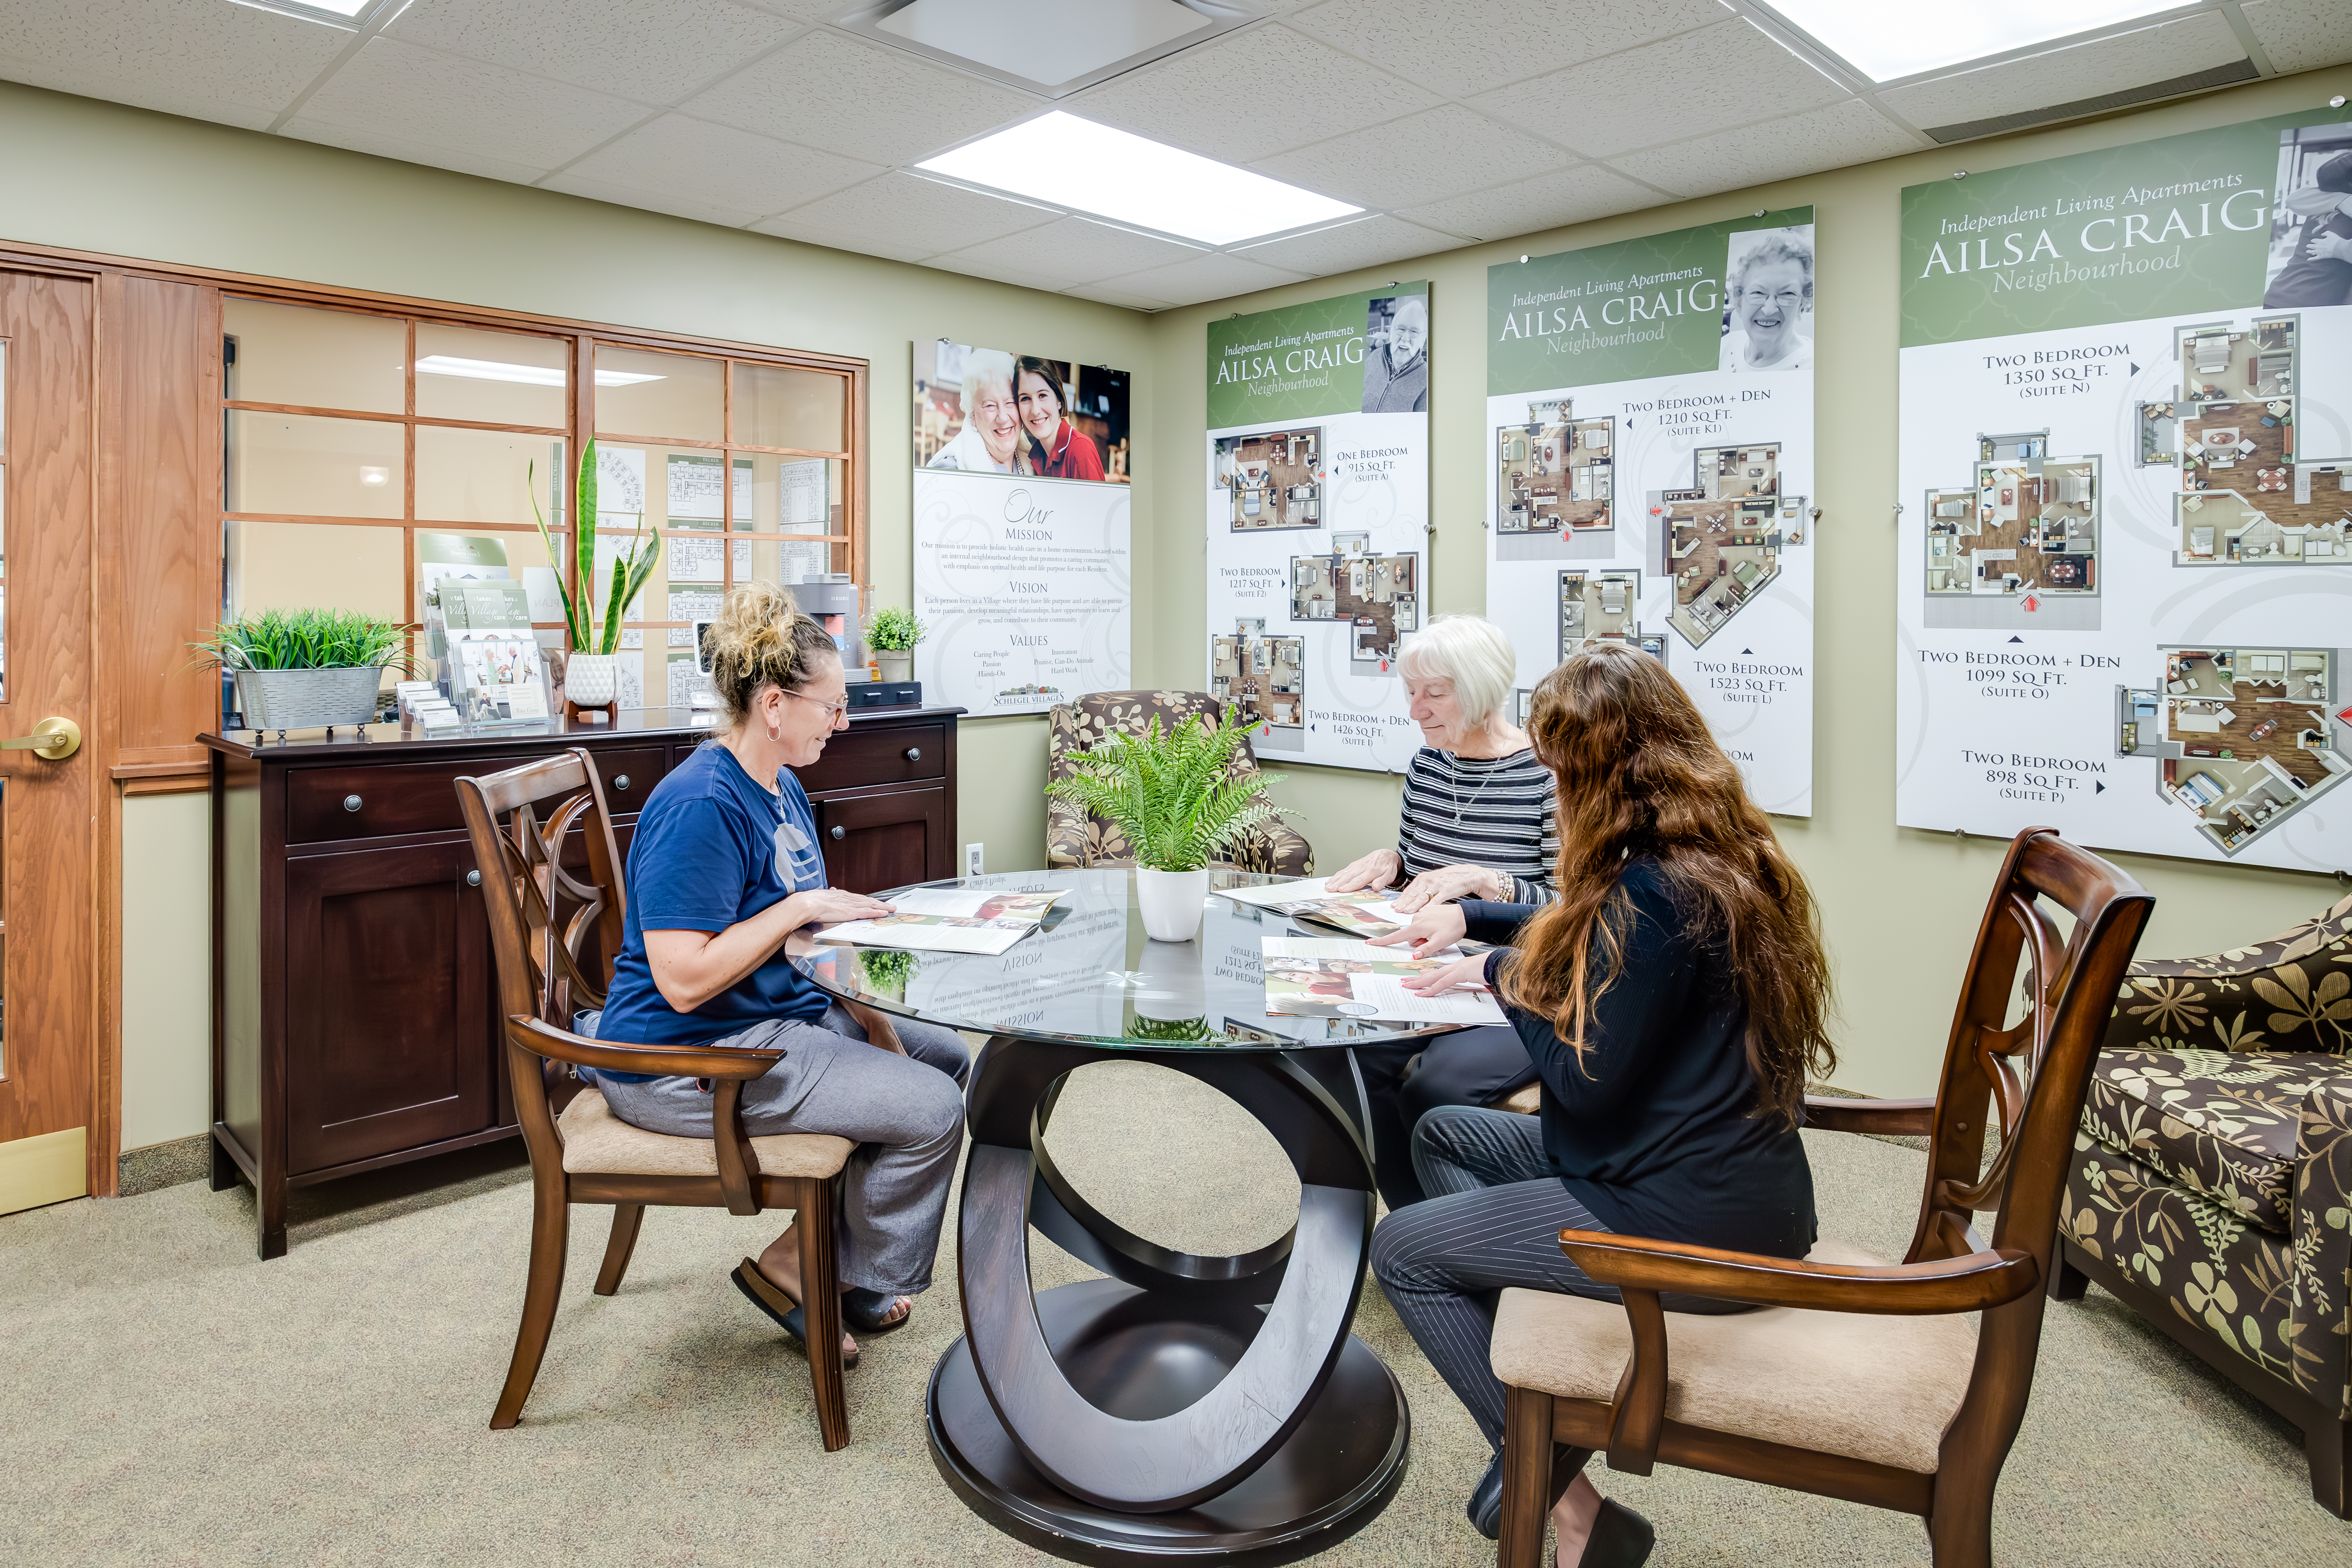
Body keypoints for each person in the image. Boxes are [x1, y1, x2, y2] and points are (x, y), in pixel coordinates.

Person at [1365, 642, 1835, 1567]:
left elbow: (1580, 1079)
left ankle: (1554, 1487)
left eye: (1560, 777)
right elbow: (1590, 937)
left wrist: (1504, 978)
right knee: (1443, 1132)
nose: (1554, 795)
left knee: (1403, 1253)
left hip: (1692, 1219)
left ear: (1600, 776)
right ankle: (1537, 1396)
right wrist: (1484, 921)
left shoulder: (1654, 894)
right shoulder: (1702, 854)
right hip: (1717, 1174)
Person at [582, 581, 971, 1368]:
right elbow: (684, 980)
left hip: (771, 1016)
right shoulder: (701, 804)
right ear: (773, 704)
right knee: (932, 1108)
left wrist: (874, 1021)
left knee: (947, 1058)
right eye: (831, 706)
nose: (845, 721)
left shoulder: (780, 784)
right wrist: (798, 911)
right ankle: (804, 1266)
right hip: (688, 1056)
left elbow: (806, 931)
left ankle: (833, 1257)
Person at [1323, 614, 1557, 1211]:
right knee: (1339, 1057)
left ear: (1479, 690)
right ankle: (1415, 1220)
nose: (1415, 710)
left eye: (1433, 693)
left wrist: (1489, 883)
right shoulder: (1429, 766)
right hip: (1425, 969)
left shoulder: (1548, 774)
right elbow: (1424, 875)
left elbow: (1578, 908)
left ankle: (1462, 1230)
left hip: (1519, 980)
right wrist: (1392, 861)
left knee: (1437, 1085)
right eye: (1410, 692)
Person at [2263, 151, 2352, 307]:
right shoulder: (2343, 212)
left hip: (2280, 296)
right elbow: (2294, 199)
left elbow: (2295, 199)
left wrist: (2339, 248)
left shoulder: (2321, 206)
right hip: (2310, 303)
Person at [1719, 231, 1813, 372]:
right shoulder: (1724, 348)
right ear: (1740, 299)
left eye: (1787, 294)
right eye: (1758, 292)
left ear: (1803, 301)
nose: (1769, 310)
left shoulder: (1814, 365)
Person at [926, 348, 1028, 473]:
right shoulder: (950, 471)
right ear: (972, 415)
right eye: (990, 405)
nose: (1003, 418)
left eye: (1010, 402)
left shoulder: (1034, 462)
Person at [1016, 356, 1105, 480]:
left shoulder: (1080, 449)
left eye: (1042, 395)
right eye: (1025, 398)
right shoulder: (1036, 455)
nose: (1035, 411)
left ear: (1059, 400)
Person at [1360, 295, 1428, 413]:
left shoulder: (1425, 379)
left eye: (1414, 332)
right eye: (1401, 329)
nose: (1405, 338)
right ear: (1391, 332)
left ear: (1422, 341)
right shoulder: (1374, 358)